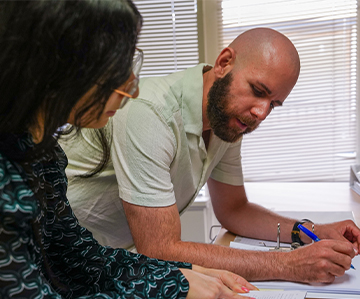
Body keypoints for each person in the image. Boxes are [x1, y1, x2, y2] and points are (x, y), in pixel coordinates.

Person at [0, 1, 257, 299]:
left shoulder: (40, 150)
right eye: (117, 66)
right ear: (54, 63)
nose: (131, 88)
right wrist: (162, 287)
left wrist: (174, 277)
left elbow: (78, 259)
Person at [61, 27, 359, 285]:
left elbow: (234, 210)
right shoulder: (149, 110)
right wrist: (286, 265)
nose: (261, 113)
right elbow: (159, 249)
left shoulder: (227, 120)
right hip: (61, 266)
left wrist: (310, 231)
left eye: (273, 105)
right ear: (224, 62)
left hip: (111, 261)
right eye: (257, 90)